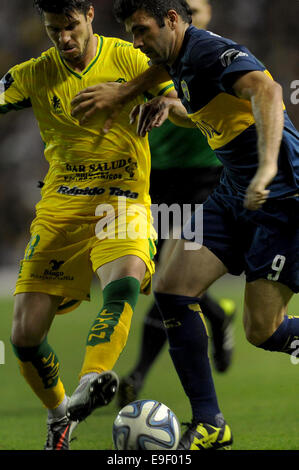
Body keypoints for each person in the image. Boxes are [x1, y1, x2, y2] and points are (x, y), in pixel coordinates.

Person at [73, 0, 299, 451]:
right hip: (234, 191)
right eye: (131, 34)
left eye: (142, 31)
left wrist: (269, 165)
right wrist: (166, 105)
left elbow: (269, 93)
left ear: (173, 20)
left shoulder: (209, 51)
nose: (137, 42)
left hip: (282, 197)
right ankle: (210, 423)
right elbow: (191, 95)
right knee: (173, 291)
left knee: (264, 331)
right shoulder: (176, 60)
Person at [0, 0, 175, 450]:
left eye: (71, 26)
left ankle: (93, 379)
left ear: (90, 16)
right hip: (61, 210)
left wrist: (164, 102)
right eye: (53, 28)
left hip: (121, 200)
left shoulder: (128, 57)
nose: (63, 38)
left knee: (126, 278)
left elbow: (178, 90)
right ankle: (61, 414)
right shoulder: (32, 75)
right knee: (24, 336)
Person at [116, 0, 236, 410]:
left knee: (169, 273)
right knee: (163, 277)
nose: (193, 14)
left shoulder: (213, 53)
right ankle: (218, 316)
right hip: (158, 177)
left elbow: (204, 108)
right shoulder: (152, 55)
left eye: (197, 8)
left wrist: (170, 106)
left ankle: (139, 373)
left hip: (205, 176)